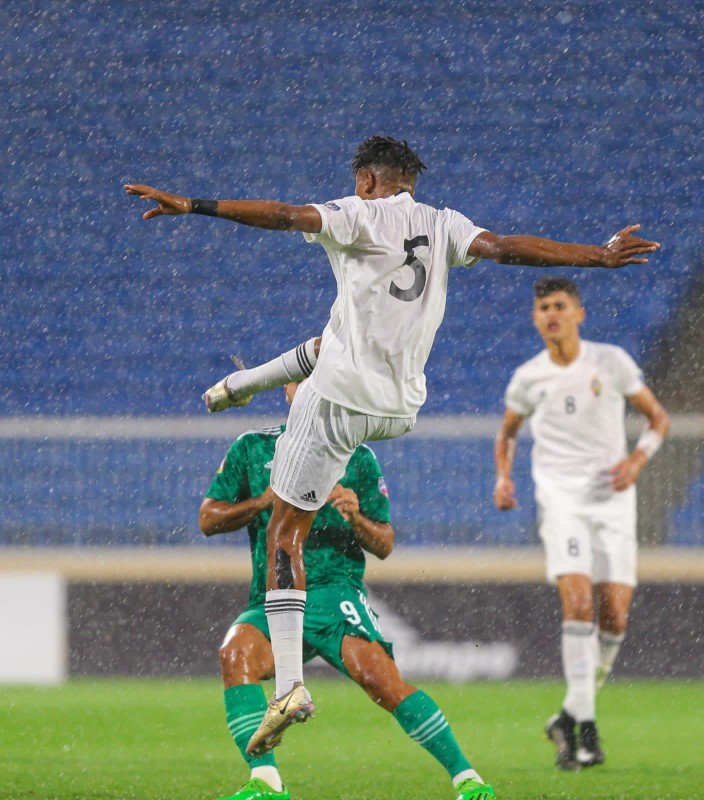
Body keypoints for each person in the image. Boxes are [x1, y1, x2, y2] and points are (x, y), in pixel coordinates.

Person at [125, 134, 660, 758]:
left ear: (368, 180)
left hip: (341, 400)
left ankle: (291, 687)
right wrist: (597, 255)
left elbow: (285, 215)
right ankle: (240, 386)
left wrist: (196, 205)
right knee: (333, 338)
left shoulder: (357, 214)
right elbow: (507, 248)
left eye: (359, 182)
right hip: (399, 407)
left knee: (284, 532)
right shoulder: (444, 223)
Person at [199, 380, 495, 800]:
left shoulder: (357, 457)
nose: (306, 388)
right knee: (235, 653)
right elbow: (209, 519)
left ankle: (467, 778)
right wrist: (263, 502)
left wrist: (357, 518)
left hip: (334, 592)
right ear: (286, 389)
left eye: (316, 380)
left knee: (381, 680)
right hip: (275, 595)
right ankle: (265, 783)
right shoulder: (253, 448)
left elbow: (385, 544)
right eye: (299, 380)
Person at [493, 277, 669, 771]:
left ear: (579, 314)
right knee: (578, 603)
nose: (552, 314)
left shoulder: (610, 362)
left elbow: (658, 419)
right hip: (561, 498)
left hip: (613, 499)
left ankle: (566, 717)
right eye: (544, 307)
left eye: (560, 306)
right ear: (535, 318)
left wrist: (637, 461)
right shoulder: (529, 376)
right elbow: (506, 433)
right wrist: (503, 478)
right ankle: (587, 731)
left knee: (614, 616)